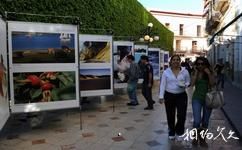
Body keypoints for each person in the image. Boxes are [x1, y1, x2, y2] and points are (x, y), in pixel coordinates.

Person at [159, 55, 190, 140]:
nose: (176, 61)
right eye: (174, 60)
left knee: (182, 115)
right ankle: (171, 131)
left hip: (181, 95)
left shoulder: (185, 71)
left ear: (180, 61)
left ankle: (179, 131)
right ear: (171, 62)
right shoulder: (166, 72)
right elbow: (163, 85)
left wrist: (185, 85)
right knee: (170, 114)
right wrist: (161, 96)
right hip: (169, 95)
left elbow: (188, 82)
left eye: (177, 60)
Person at [190, 57, 215, 147]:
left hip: (208, 99)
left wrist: (208, 74)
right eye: (198, 64)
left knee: (205, 121)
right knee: (197, 121)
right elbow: (192, 84)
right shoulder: (194, 72)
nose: (200, 65)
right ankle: (195, 137)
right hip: (197, 99)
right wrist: (196, 73)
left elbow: (212, 84)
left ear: (205, 64)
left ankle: (203, 139)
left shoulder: (210, 72)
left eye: (202, 64)